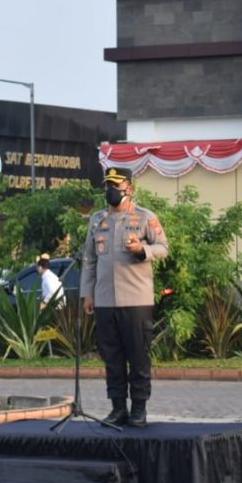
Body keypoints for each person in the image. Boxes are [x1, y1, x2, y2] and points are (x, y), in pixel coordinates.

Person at [81, 168, 169, 427]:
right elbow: (89, 259)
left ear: (129, 188)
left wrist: (142, 249)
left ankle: (139, 408)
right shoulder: (97, 220)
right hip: (105, 300)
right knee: (112, 358)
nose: (111, 190)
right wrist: (88, 293)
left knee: (138, 356)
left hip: (136, 300)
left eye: (116, 185)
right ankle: (118, 408)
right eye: (108, 185)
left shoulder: (144, 218)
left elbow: (164, 248)